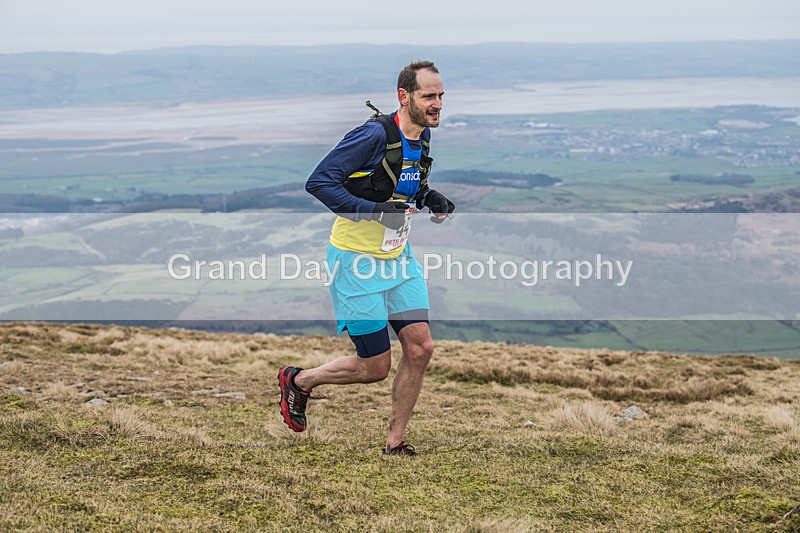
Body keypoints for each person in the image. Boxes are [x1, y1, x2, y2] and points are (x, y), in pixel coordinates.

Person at [278, 60, 455, 456]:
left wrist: (430, 198)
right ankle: (300, 381)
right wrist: (376, 213)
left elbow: (406, 184)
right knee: (374, 366)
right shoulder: (372, 135)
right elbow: (319, 182)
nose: (438, 103)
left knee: (421, 348)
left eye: (441, 95)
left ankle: (395, 442)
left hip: (397, 258)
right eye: (429, 96)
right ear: (404, 96)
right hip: (356, 262)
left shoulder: (422, 135)